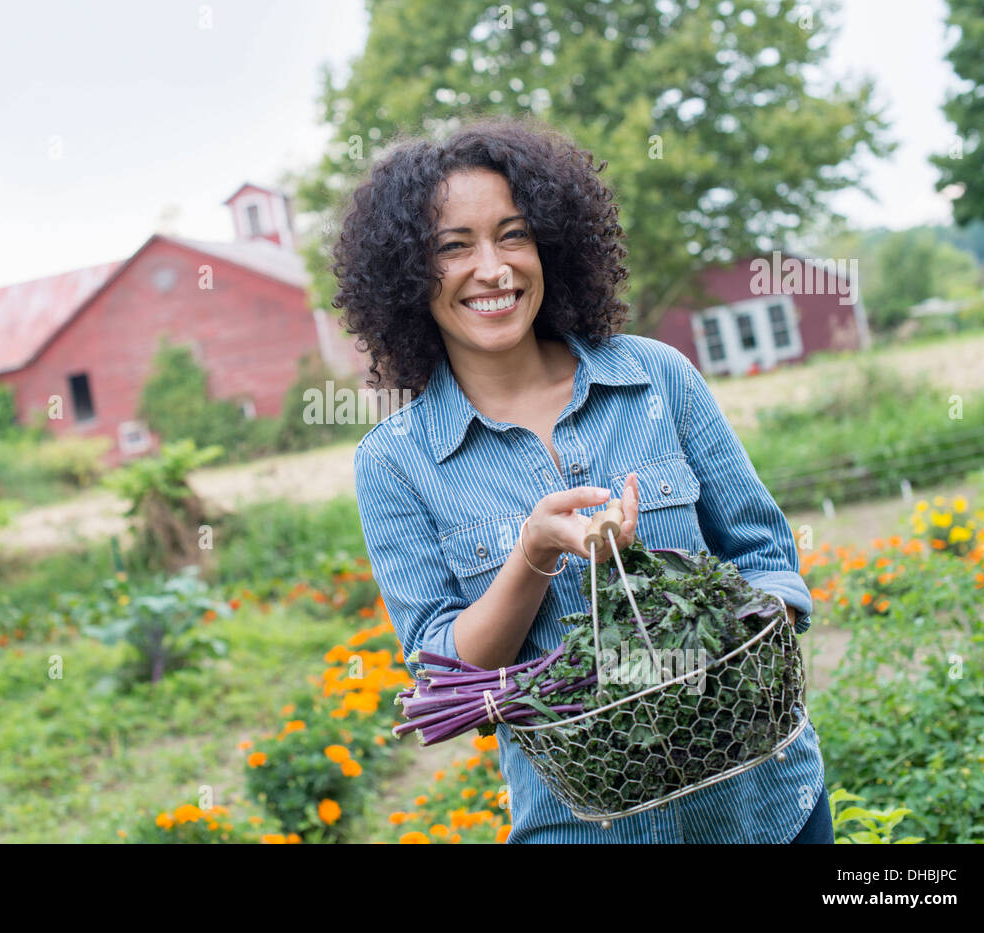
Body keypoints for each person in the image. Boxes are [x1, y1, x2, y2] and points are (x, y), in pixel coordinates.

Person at [333, 114, 831, 843]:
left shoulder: (657, 376)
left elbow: (764, 556)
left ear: (551, 244)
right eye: (453, 246)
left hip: (770, 807)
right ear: (407, 275)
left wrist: (722, 647)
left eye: (513, 234)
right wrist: (532, 555)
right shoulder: (395, 462)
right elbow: (443, 671)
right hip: (581, 828)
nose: (494, 268)